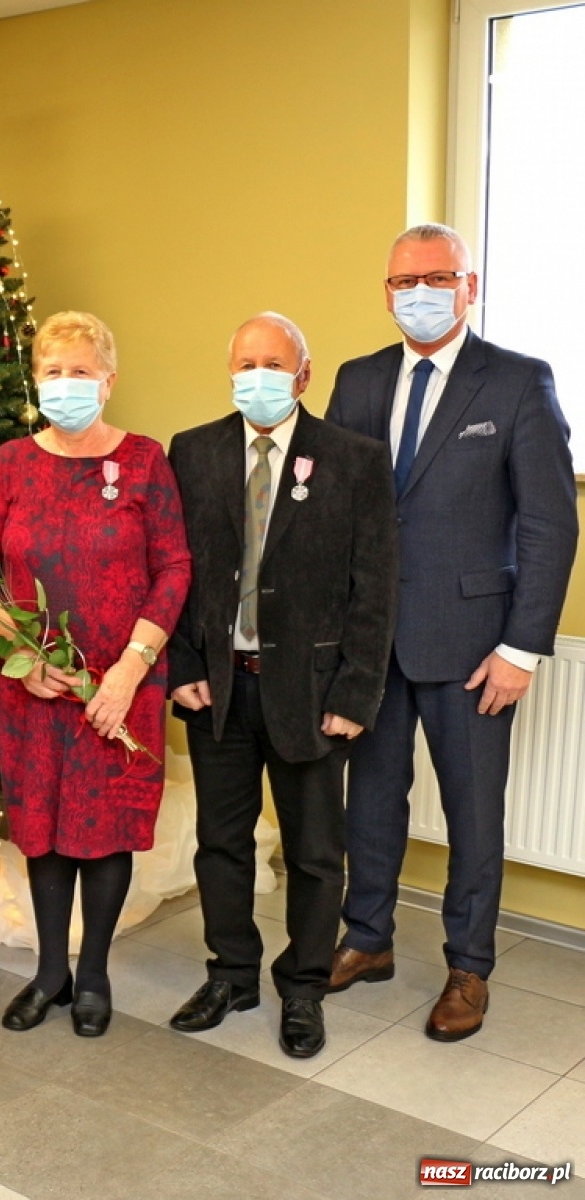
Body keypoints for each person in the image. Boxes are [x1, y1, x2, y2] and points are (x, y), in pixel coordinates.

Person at [326, 224, 578, 1041]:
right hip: (373, 643)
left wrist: (521, 648)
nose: (419, 292)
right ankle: (368, 940)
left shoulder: (516, 382)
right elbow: (334, 514)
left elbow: (550, 525)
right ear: (386, 291)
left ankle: (469, 968)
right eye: (403, 280)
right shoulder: (358, 381)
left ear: (470, 286)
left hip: (476, 648)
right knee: (369, 804)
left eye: (438, 277)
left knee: (475, 815)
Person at [166, 313, 397, 1058]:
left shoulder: (355, 460)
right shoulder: (192, 452)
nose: (256, 376)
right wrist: (183, 668)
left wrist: (355, 694)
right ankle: (232, 973)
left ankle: (302, 988)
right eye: (244, 362)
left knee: (314, 853)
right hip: (220, 691)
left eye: (272, 363)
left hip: (312, 691)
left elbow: (375, 588)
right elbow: (173, 572)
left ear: (303, 374)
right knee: (221, 843)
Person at [0, 313, 190, 1038]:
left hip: (121, 689)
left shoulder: (147, 461)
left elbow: (174, 568)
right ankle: (49, 971)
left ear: (109, 379)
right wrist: (23, 661)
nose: (66, 384)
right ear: (37, 380)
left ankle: (92, 972)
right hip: (34, 691)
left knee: (106, 830)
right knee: (44, 831)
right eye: (53, 371)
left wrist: (131, 668)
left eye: (80, 371)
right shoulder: (10, 464)